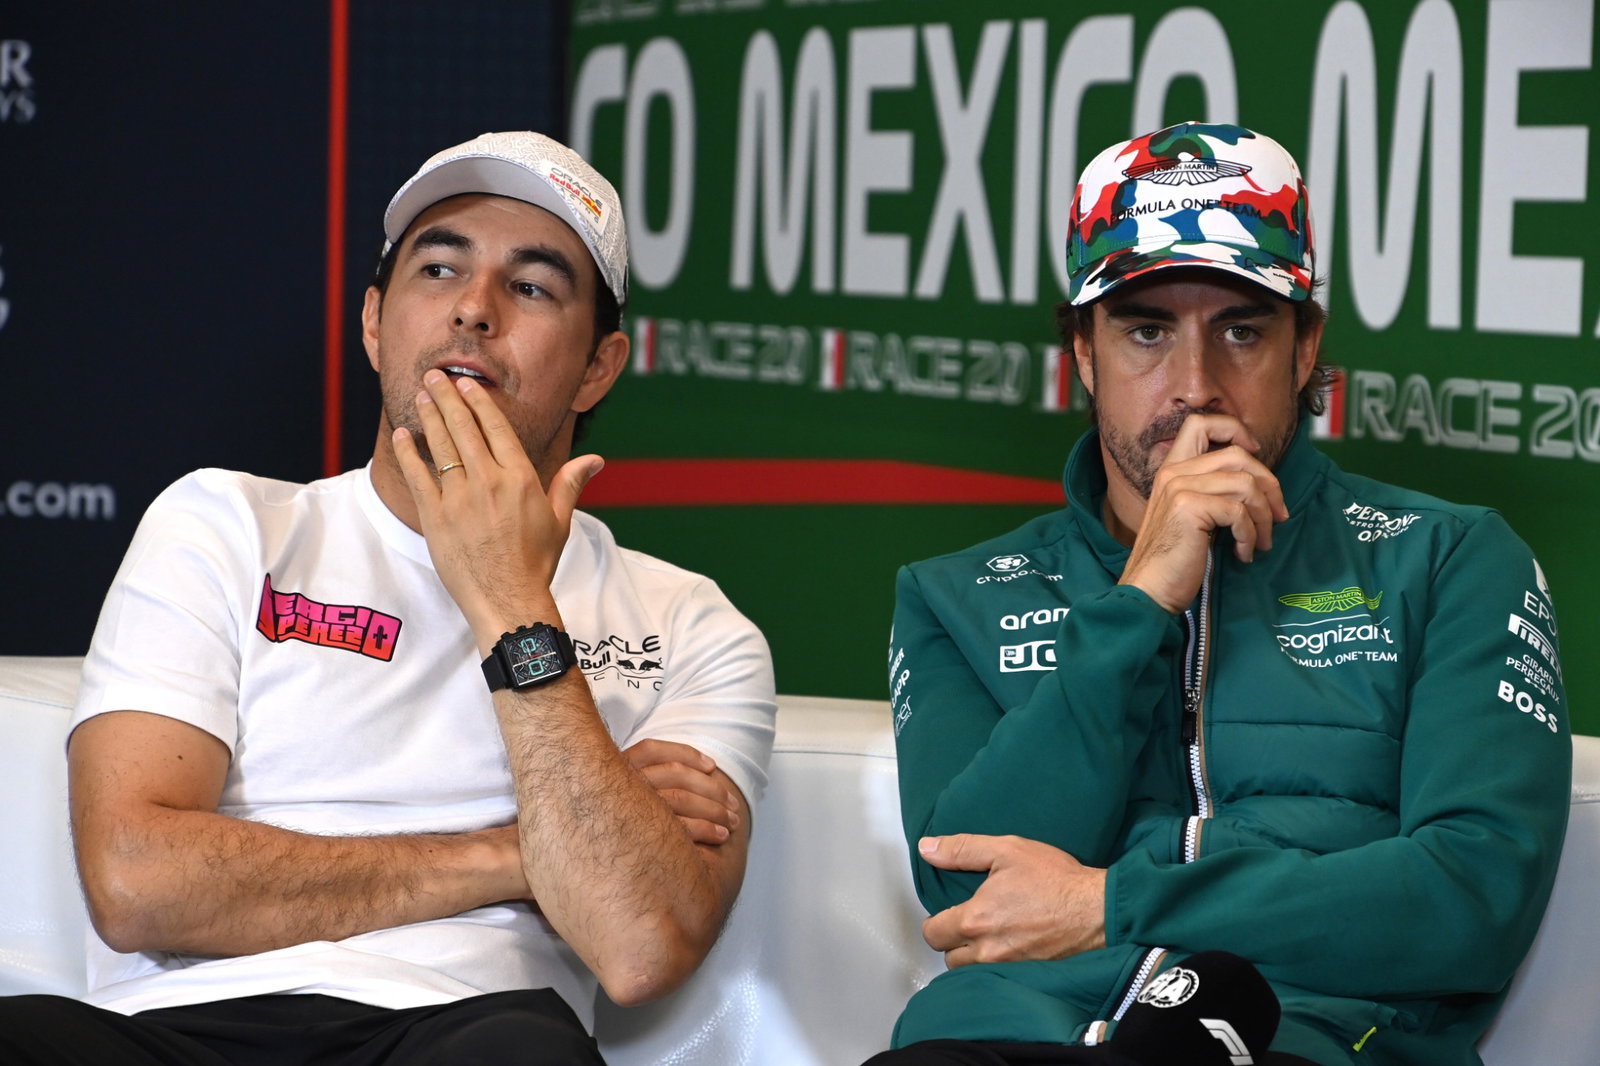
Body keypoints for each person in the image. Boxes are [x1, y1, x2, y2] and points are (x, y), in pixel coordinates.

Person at [0, 131, 775, 1065]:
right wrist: (517, 854)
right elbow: (136, 883)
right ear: (375, 323)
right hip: (178, 1024)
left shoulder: (692, 623)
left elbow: (641, 943)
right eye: (439, 268)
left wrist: (508, 600)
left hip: (472, 1031)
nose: (474, 312)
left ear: (599, 366)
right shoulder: (226, 522)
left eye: (531, 287)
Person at [874, 122, 1569, 1065]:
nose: (1195, 387)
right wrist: (1140, 602)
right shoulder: (952, 596)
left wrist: (1109, 904)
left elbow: (1471, 902)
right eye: (1146, 330)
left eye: (1242, 330)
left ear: (1304, 346)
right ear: (1082, 351)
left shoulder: (1449, 560)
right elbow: (966, 901)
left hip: (1304, 1041)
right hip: (1002, 1042)